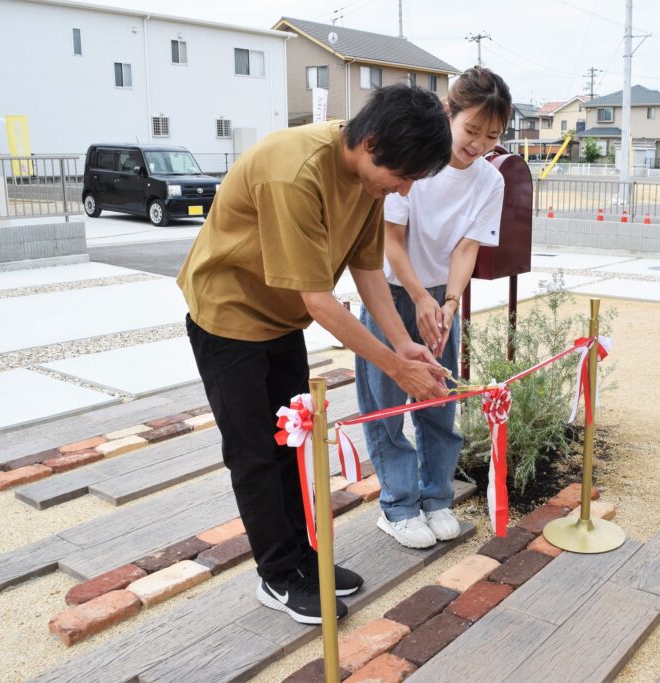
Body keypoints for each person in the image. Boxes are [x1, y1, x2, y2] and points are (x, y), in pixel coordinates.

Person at [177, 85, 452, 625]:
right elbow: (320, 300)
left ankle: (304, 561)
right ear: (369, 143)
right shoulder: (295, 171)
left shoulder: (368, 186)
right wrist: (394, 368)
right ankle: (277, 576)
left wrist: (403, 343)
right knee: (255, 451)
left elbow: (367, 268)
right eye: (403, 175)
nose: (403, 187)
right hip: (228, 316)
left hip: (280, 318)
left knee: (295, 444)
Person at [355, 67, 512, 549]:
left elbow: (467, 248)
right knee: (386, 406)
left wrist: (446, 301)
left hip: (442, 299)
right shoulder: (417, 162)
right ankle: (398, 507)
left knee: (441, 403)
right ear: (450, 113)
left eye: (492, 136)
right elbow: (392, 241)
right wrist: (421, 297)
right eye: (471, 130)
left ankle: (437, 497)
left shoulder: (490, 180)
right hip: (394, 294)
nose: (478, 144)